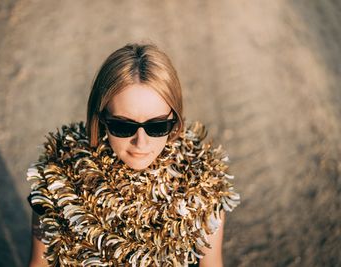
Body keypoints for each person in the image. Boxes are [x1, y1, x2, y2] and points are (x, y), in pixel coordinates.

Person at [27, 43, 240, 267]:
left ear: (175, 119)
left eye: (157, 126)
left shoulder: (204, 182)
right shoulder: (60, 178)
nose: (141, 142)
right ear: (100, 119)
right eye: (123, 126)